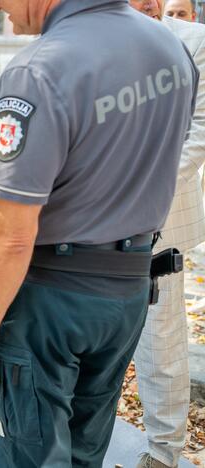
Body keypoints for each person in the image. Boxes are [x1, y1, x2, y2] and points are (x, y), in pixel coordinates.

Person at [0, 0, 197, 465]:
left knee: (31, 452)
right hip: (128, 290)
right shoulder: (172, 50)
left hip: (52, 300)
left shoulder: (39, 68)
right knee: (86, 446)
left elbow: (10, 232)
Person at [129, 3, 205, 467]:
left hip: (162, 222)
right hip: (94, 225)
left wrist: (143, 189)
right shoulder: (96, 41)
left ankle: (164, 450)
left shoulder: (196, 42)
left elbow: (199, 131)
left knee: (162, 342)